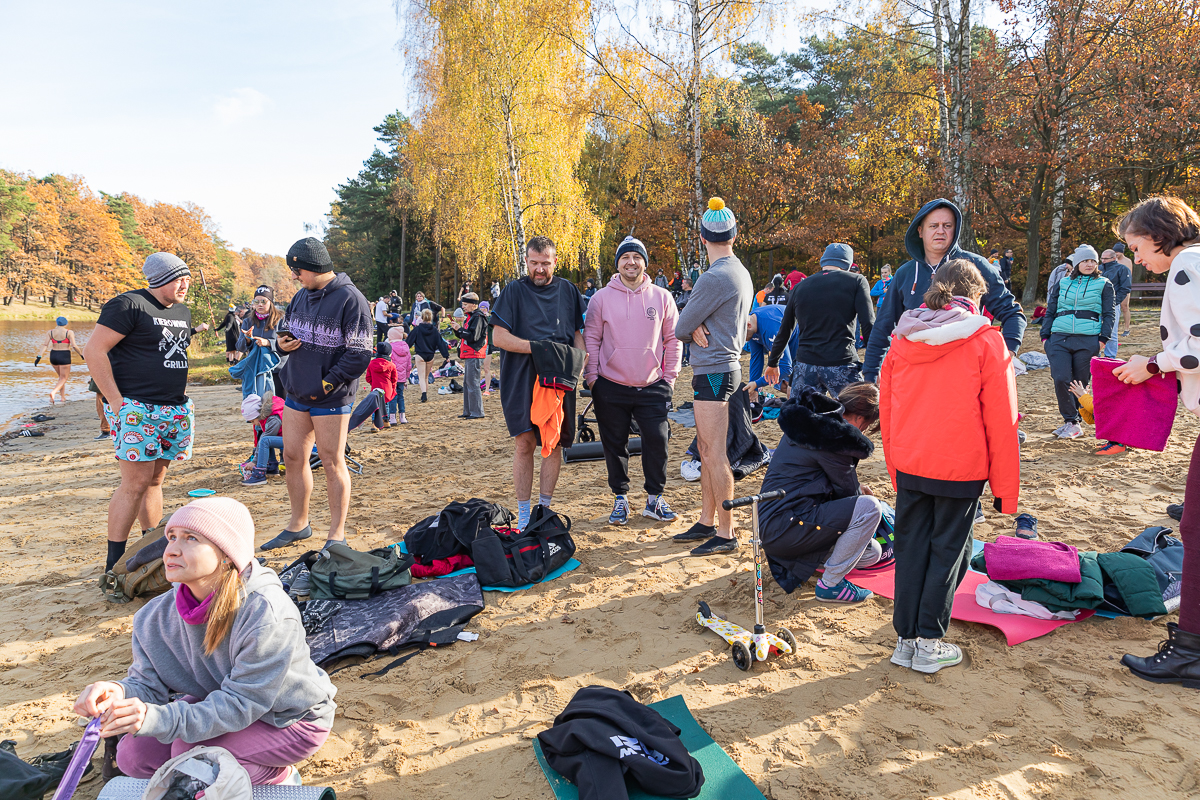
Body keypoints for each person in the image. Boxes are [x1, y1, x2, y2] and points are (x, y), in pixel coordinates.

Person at [73, 497, 336, 785]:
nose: (172, 550)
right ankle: (211, 769)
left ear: (227, 554)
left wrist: (156, 719)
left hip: (290, 719)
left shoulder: (265, 612)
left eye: (191, 538)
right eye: (172, 537)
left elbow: (241, 704)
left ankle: (276, 774)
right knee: (133, 757)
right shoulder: (154, 616)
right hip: (218, 700)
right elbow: (148, 685)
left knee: (190, 754)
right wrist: (119, 691)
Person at [879, 259, 1019, 673]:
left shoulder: (903, 338)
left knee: (911, 549)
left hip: (912, 460)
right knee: (948, 553)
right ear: (976, 296)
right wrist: (1004, 491)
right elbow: (1003, 420)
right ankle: (927, 642)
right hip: (960, 466)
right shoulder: (986, 341)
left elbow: (888, 410)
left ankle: (906, 640)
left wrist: (896, 464)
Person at [1112, 196, 1200, 688]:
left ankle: (1190, 651)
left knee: (1195, 528)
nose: (1136, 257)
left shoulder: (1188, 264)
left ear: (1159, 235)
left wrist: (1153, 364)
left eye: (1136, 246)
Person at [85, 253, 198, 573]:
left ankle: (147, 549)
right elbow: (93, 350)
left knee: (154, 481)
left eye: (187, 279)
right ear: (160, 279)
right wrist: (115, 401)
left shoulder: (182, 311)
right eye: (178, 279)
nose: (185, 285)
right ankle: (114, 564)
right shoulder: (128, 305)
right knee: (134, 484)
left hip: (173, 408)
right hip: (137, 408)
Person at [265, 238, 372, 552]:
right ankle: (299, 525)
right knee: (292, 457)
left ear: (312, 267)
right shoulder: (301, 296)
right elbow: (286, 332)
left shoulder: (351, 299)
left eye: (296, 271)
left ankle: (336, 535)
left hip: (331, 397)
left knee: (331, 462)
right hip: (296, 392)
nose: (294, 276)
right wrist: (280, 344)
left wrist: (327, 383)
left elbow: (360, 354)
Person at [863, 199, 1027, 383]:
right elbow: (882, 327)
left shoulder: (975, 266)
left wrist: (1006, 353)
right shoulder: (905, 274)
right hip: (914, 376)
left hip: (965, 376)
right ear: (920, 231)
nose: (940, 231)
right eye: (933, 226)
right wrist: (870, 375)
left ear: (955, 230)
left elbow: (1013, 313)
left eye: (947, 225)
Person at [671, 198, 754, 556]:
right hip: (724, 368)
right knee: (706, 450)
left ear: (703, 237)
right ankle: (707, 520)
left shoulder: (713, 277)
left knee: (715, 453)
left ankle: (726, 531)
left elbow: (680, 327)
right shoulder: (739, 271)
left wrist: (693, 326)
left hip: (715, 372)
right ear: (734, 235)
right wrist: (697, 325)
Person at [583, 235, 682, 525]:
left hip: (653, 384)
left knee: (658, 441)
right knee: (615, 444)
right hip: (610, 385)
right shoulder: (601, 298)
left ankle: (654, 499)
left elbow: (674, 340)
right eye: (625, 257)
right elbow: (592, 339)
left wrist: (670, 378)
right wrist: (592, 378)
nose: (631, 262)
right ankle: (620, 499)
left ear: (645, 263)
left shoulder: (662, 297)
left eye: (637, 257)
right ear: (617, 263)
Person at [491, 235, 587, 531]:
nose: (540, 269)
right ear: (526, 261)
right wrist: (537, 348)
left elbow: (577, 333)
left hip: (559, 376)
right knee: (525, 443)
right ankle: (523, 515)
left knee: (553, 443)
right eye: (534, 263)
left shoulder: (568, 290)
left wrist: (580, 362)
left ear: (555, 261)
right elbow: (498, 337)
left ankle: (543, 511)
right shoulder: (513, 291)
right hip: (521, 375)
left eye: (545, 263)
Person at [759, 384, 885, 603]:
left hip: (776, 527)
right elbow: (848, 493)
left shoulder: (808, 424)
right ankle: (831, 585)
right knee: (871, 507)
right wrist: (859, 494)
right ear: (858, 419)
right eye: (866, 426)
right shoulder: (833, 437)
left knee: (872, 552)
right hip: (787, 526)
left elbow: (820, 475)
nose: (863, 432)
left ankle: (808, 563)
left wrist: (857, 488)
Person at [765, 243, 874, 398]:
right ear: (848, 264)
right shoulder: (856, 281)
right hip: (841, 362)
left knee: (802, 412)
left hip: (806, 365)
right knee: (856, 411)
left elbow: (785, 329)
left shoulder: (800, 287)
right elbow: (868, 324)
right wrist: (874, 364)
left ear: (823, 261)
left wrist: (773, 362)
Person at [1041, 244, 1116, 440]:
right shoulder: (1063, 283)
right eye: (1085, 261)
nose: (1089, 264)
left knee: (1079, 381)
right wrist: (1045, 337)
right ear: (1076, 263)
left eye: (1092, 261)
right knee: (1060, 378)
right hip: (1059, 337)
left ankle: (1075, 422)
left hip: (1088, 338)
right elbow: (1050, 310)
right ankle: (1070, 421)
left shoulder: (1104, 284)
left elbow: (1109, 314)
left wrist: (1103, 339)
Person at [236, 286, 282, 399]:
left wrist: (268, 343)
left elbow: (288, 343)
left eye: (263, 301)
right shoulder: (248, 321)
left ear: (271, 302)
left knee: (278, 405)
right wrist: (247, 339)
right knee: (258, 406)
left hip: (278, 370)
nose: (260, 305)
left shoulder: (281, 320)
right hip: (256, 370)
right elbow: (239, 347)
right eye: (256, 302)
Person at [745, 304, 796, 394]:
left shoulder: (771, 329)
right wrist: (753, 389)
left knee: (791, 389)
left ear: (748, 325)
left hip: (801, 343)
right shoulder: (751, 325)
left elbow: (786, 368)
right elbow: (756, 358)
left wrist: (757, 384)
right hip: (788, 341)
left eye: (741, 336)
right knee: (782, 385)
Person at [451, 292, 487, 420]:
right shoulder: (470, 317)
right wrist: (457, 329)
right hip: (470, 354)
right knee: (467, 383)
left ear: (473, 305)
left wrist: (460, 329)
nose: (463, 307)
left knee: (472, 383)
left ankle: (477, 412)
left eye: (465, 304)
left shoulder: (478, 317)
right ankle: (468, 411)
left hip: (475, 354)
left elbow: (473, 337)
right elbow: (465, 335)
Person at [36, 315, 85, 404]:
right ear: (66, 323)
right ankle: (53, 392)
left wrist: (39, 356)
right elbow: (74, 346)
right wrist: (81, 354)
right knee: (64, 378)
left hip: (53, 355)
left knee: (61, 378)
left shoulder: (50, 332)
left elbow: (45, 345)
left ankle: (62, 397)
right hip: (64, 355)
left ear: (57, 323)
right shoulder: (69, 332)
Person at [240, 394, 284, 487]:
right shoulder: (268, 416)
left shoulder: (273, 419)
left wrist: (254, 462)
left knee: (265, 440)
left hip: (296, 441)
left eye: (253, 421)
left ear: (258, 415)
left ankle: (260, 474)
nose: (254, 424)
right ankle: (272, 466)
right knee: (265, 438)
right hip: (290, 439)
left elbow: (264, 439)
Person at [408, 309, 450, 403]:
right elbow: (441, 343)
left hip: (420, 355)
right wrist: (446, 356)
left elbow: (409, 342)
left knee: (421, 377)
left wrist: (404, 352)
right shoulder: (434, 330)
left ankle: (424, 394)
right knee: (426, 376)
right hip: (430, 355)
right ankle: (425, 393)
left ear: (422, 317)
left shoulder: (417, 329)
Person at [1100, 247, 1133, 357]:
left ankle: (1110, 356)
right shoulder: (1099, 269)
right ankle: (1096, 354)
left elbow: (1125, 288)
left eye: (1106, 258)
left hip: (1112, 305)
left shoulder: (1122, 269)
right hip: (1097, 304)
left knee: (1112, 332)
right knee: (1095, 331)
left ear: (1113, 258)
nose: (1103, 261)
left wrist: (1115, 302)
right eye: (1102, 258)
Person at [364, 341, 399, 430]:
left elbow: (368, 377)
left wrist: (373, 383)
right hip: (387, 389)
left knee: (375, 406)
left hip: (375, 388)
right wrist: (392, 387)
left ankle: (374, 423)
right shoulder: (391, 365)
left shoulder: (371, 363)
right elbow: (394, 379)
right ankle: (385, 421)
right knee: (386, 405)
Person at [385, 327, 411, 424]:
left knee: (392, 397)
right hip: (402, 377)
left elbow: (388, 363)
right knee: (400, 396)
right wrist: (406, 377)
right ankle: (402, 417)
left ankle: (392, 417)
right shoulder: (406, 347)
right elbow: (409, 365)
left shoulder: (390, 348)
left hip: (392, 377)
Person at [1113, 242, 1135, 335]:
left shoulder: (1127, 261)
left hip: (1124, 286)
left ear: (1122, 252)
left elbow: (1129, 275)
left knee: (1125, 306)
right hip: (1115, 287)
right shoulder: (1113, 260)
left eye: (1117, 252)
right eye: (1115, 252)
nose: (1116, 254)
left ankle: (1126, 328)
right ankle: (1114, 327)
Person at [676, 278, 693, 366]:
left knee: (687, 342)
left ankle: (688, 359)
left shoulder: (692, 294)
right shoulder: (682, 294)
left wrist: (679, 306)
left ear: (687, 285)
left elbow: (684, 303)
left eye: (683, 283)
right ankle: (681, 358)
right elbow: (676, 304)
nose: (682, 285)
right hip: (680, 319)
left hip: (688, 320)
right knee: (680, 340)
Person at [479, 300, 495, 395]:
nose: (483, 309)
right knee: (478, 368)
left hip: (488, 345)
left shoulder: (490, 318)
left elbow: (492, 326)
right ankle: (477, 388)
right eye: (481, 307)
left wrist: (486, 317)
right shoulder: (477, 318)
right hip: (479, 345)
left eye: (484, 308)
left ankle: (487, 389)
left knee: (486, 368)